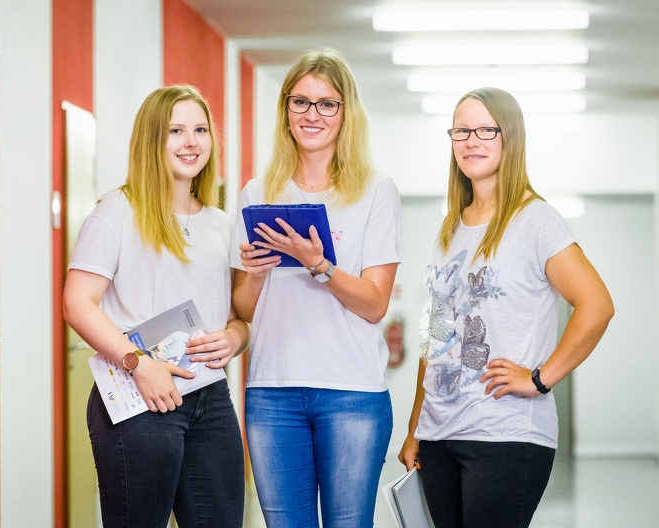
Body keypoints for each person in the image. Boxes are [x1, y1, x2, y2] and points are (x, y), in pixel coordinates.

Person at [398, 87, 614, 528]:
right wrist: (415, 425)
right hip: (439, 433)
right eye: (461, 130)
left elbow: (597, 305)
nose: (471, 140)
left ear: (509, 138)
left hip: (506, 433)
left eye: (485, 130)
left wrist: (540, 378)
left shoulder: (535, 219)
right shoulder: (451, 227)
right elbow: (434, 335)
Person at [232, 47, 403, 527]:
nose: (312, 114)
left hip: (351, 392)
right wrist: (259, 271)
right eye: (300, 102)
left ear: (346, 113)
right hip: (272, 391)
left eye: (327, 103)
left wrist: (321, 266)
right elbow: (243, 309)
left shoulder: (375, 190)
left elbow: (374, 305)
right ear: (285, 110)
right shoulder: (256, 193)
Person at [63, 85, 248, 528]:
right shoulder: (117, 212)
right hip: (139, 397)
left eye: (201, 130)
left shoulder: (221, 225)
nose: (192, 142)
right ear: (152, 140)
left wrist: (236, 337)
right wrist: (138, 363)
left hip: (209, 398)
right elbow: (77, 302)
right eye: (176, 131)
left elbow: (239, 315)